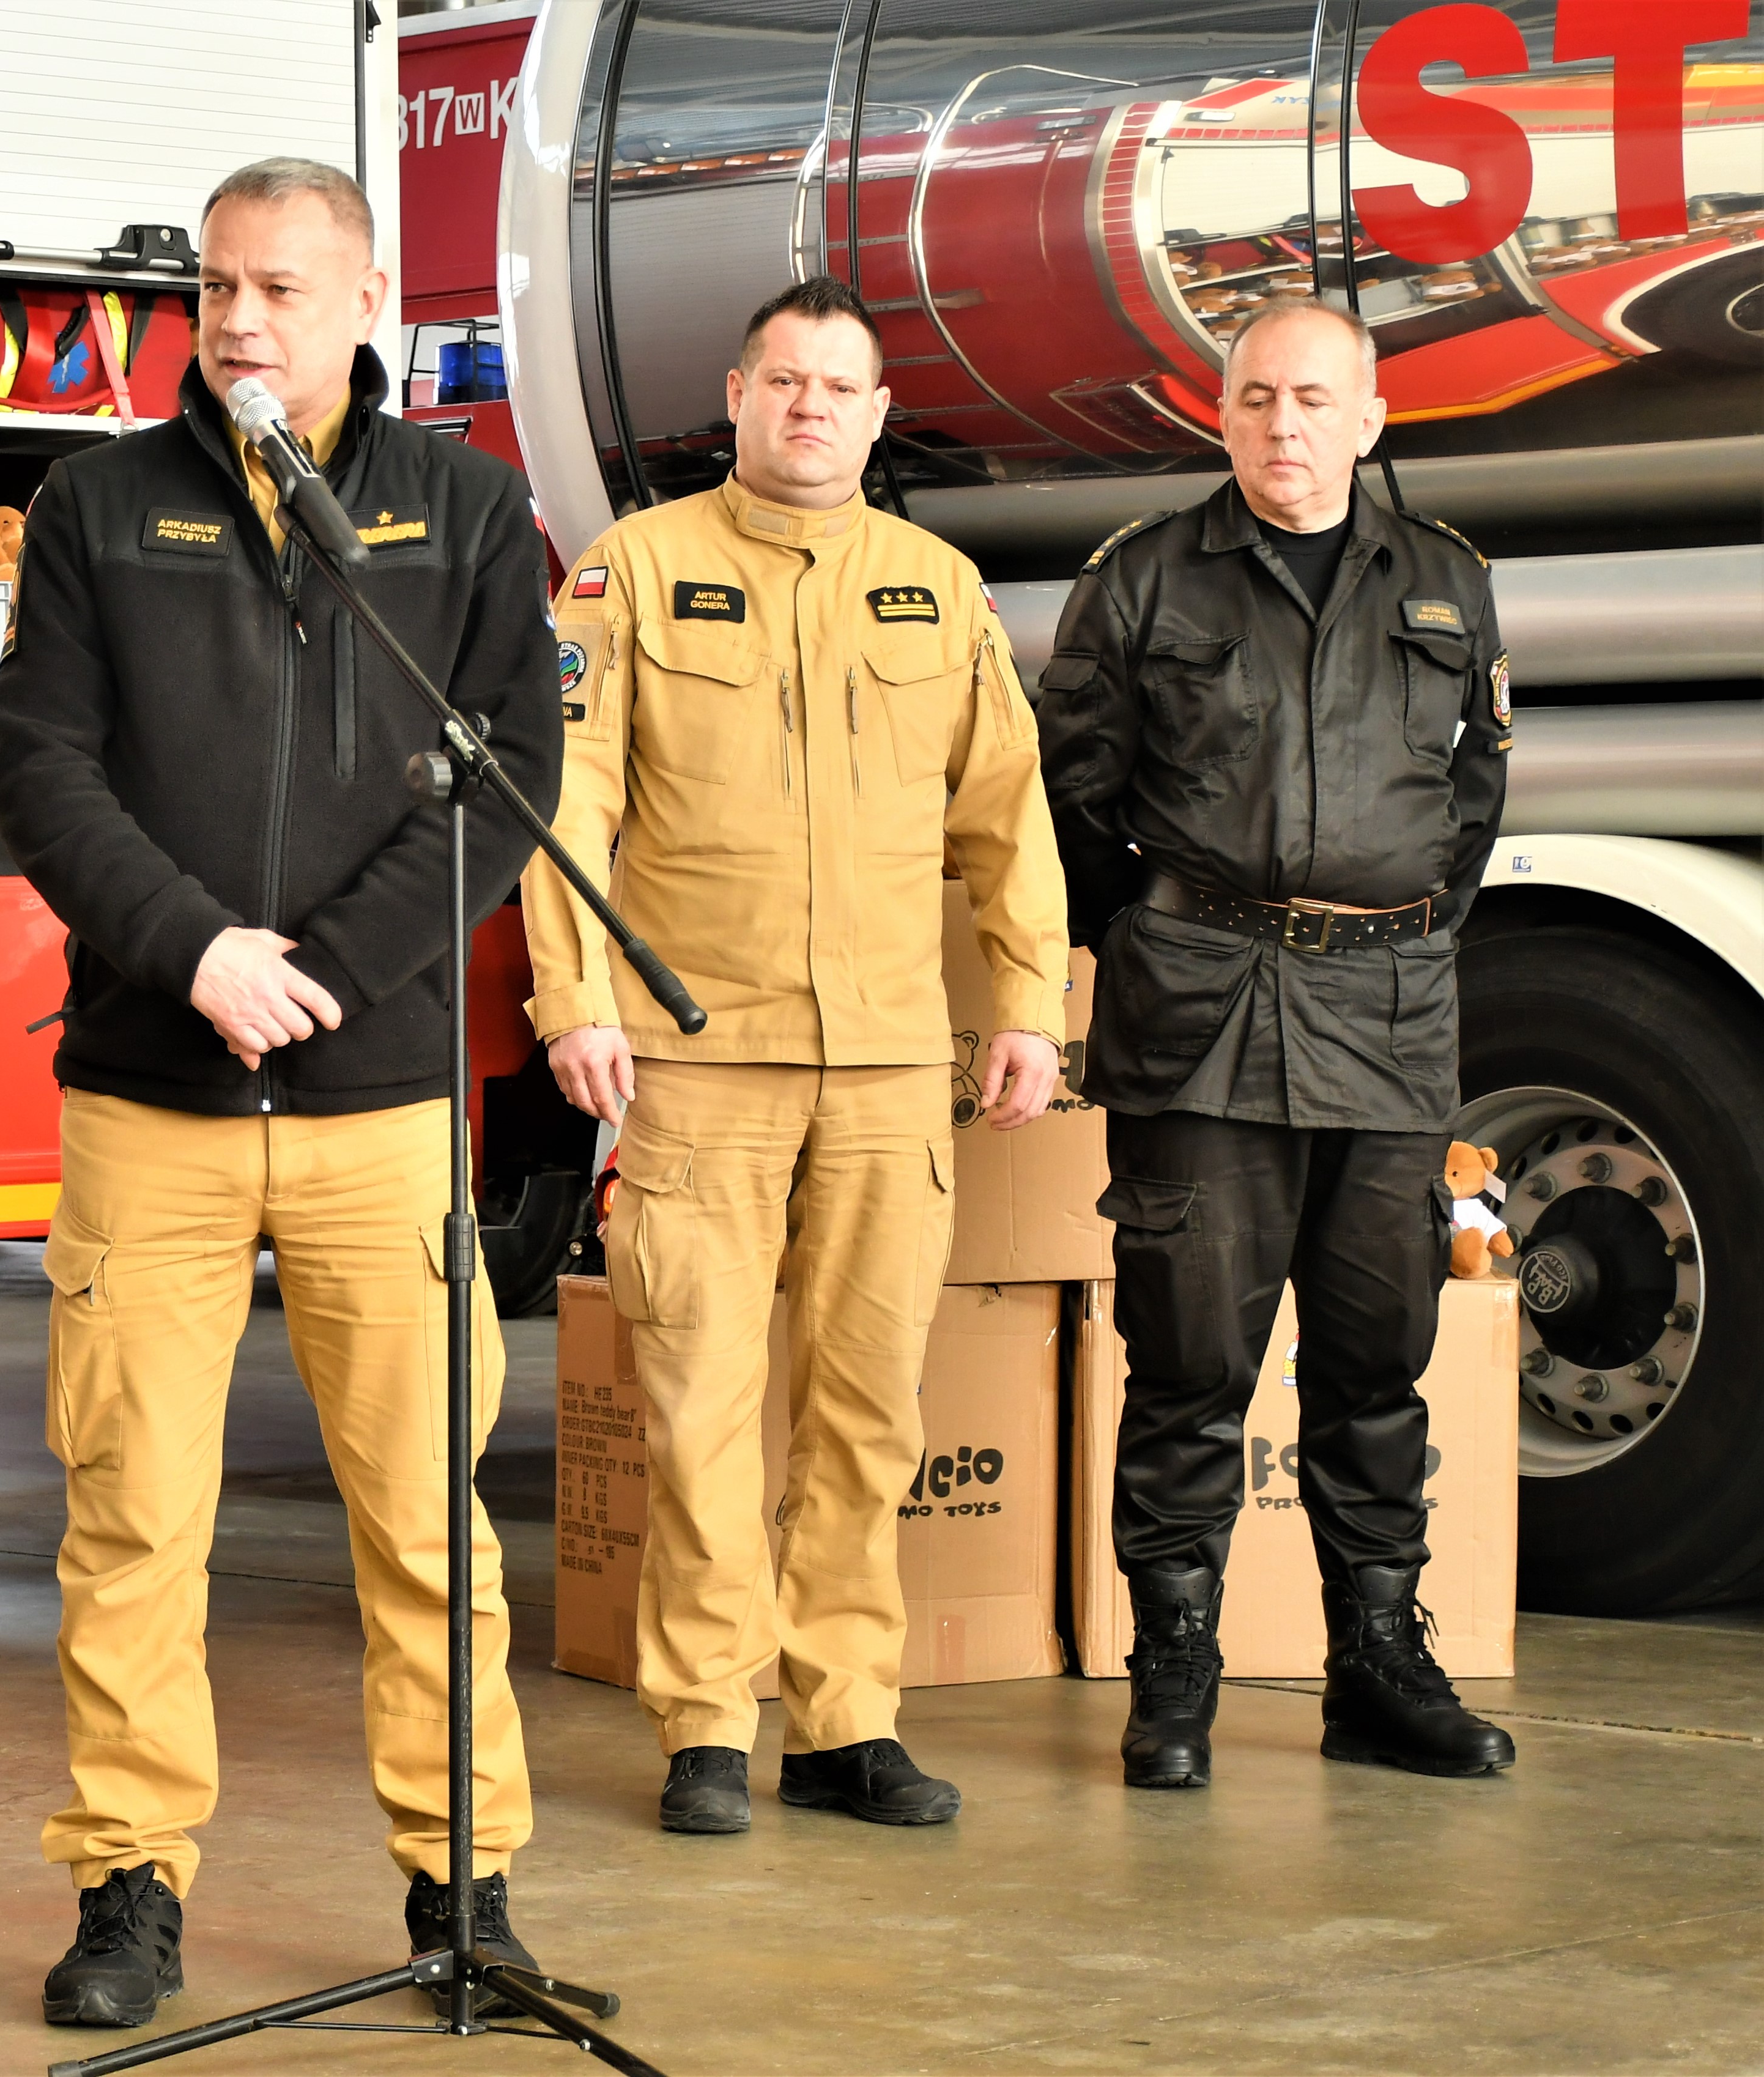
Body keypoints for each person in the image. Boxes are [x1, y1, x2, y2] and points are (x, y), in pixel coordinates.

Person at [0, 157, 561, 2029]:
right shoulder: (95, 507)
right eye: (214, 286)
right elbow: (42, 767)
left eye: (279, 287)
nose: (237, 319)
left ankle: (462, 1887)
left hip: (374, 1102)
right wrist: (192, 952)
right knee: (129, 1514)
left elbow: (507, 777)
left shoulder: (465, 513)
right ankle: (127, 1883)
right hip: (148, 1095)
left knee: (425, 1522)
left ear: (366, 301)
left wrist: (323, 973)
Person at [525, 278, 1067, 1838]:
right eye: (784, 381)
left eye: (839, 387)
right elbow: (568, 805)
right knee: (697, 1406)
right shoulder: (635, 572)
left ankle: (844, 1722)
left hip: (890, 1065)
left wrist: (1029, 1000)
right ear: (738, 397)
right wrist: (575, 1001)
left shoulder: (937, 589)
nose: (810, 407)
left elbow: (1005, 811)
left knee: (869, 1412)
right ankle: (706, 1724)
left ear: (878, 415)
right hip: (699, 1062)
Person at [1037, 297, 1514, 1789]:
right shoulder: (1143, 580)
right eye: (1256, 399)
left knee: (1378, 1365)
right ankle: (1175, 1671)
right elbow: (1070, 797)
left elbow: (1473, 797)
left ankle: (1377, 1666)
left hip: (1390, 1022)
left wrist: (1391, 928)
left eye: (1314, 400)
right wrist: (1170, 934)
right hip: (1203, 1019)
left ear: (1370, 420)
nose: (1283, 426)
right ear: (1221, 412)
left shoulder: (1447, 582)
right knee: (1190, 1364)